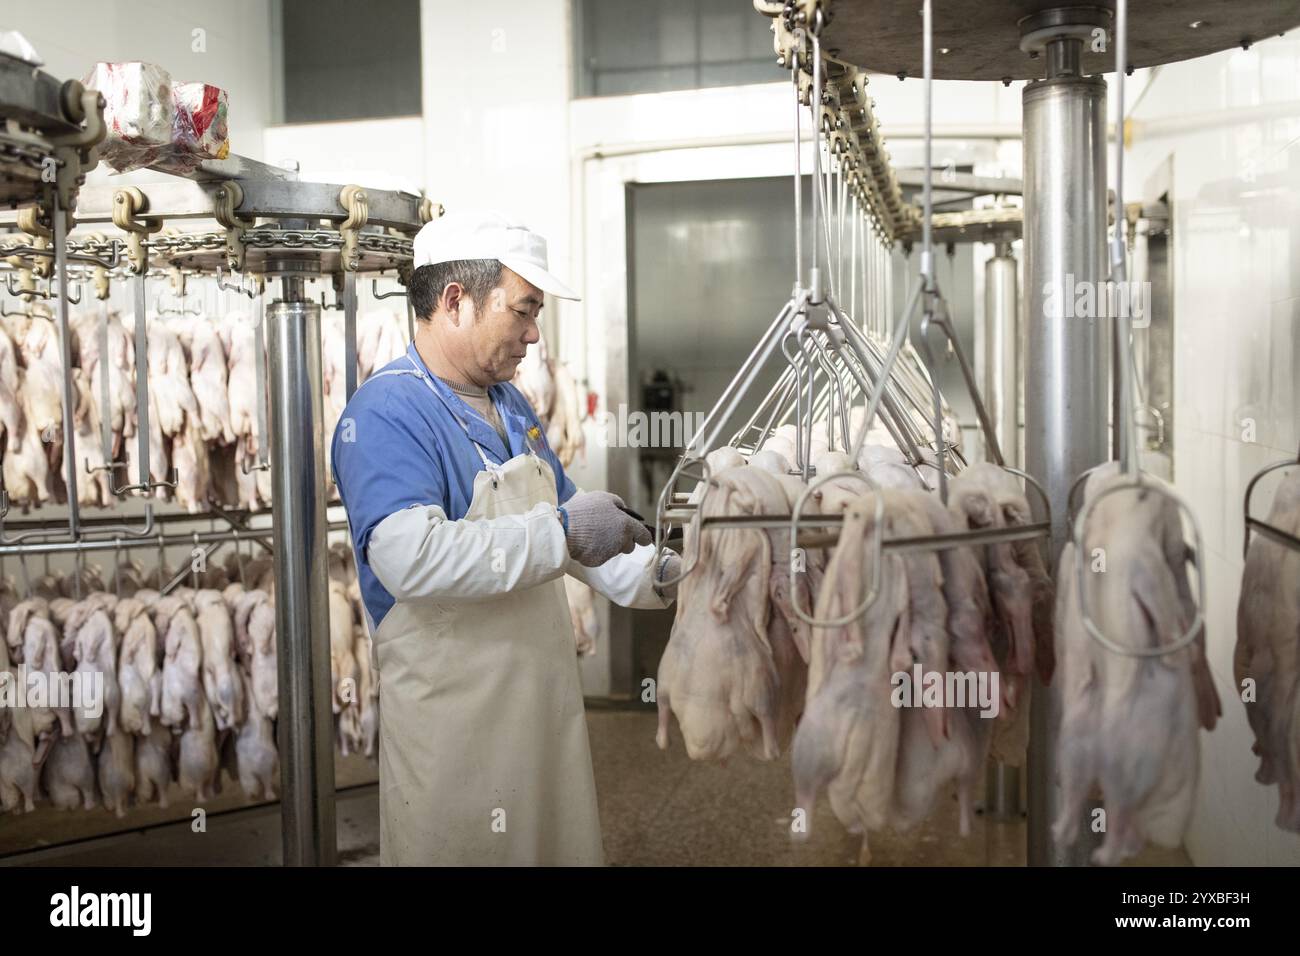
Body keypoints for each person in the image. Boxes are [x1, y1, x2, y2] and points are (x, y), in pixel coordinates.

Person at [331, 209, 679, 866]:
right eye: (521, 312)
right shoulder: (385, 413)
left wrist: (679, 573)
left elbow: (582, 540)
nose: (533, 335)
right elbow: (412, 561)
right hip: (455, 727)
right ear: (456, 302)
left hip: (540, 715)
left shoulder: (513, 406)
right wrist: (563, 531)